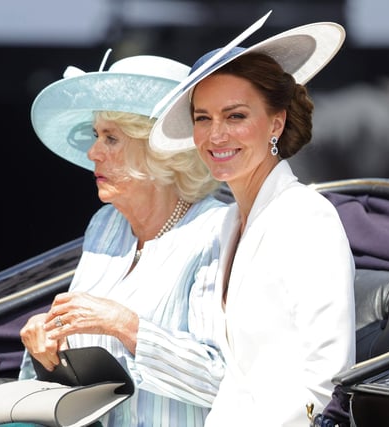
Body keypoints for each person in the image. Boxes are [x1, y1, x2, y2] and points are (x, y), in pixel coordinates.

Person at [150, 22, 356, 426]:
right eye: (203, 118)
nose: (216, 135)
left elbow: (327, 382)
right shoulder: (227, 222)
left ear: (275, 124)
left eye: (236, 115)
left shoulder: (307, 218)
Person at [19, 54, 229, 426]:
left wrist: (127, 326)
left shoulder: (216, 232)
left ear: (160, 150)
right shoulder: (107, 225)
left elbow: (223, 379)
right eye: (97, 136)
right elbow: (86, 334)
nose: (92, 152)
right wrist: (47, 335)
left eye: (111, 138)